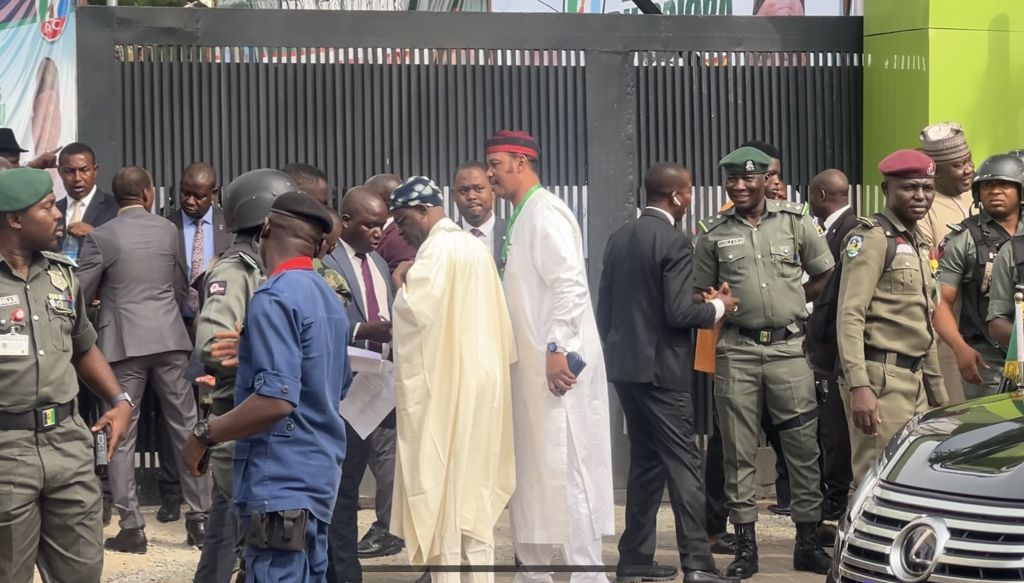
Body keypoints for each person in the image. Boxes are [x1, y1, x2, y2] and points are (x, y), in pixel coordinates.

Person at [184, 191, 352, 583]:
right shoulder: (327, 297)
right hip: (318, 480)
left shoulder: (274, 296)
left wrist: (205, 434)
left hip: (280, 482)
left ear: (267, 228)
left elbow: (275, 402)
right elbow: (333, 384)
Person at [692, 146, 834, 578]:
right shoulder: (712, 233)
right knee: (738, 450)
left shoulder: (795, 222)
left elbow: (826, 273)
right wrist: (720, 304)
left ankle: (807, 545)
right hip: (737, 350)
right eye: (732, 180)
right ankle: (746, 549)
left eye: (748, 179)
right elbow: (700, 293)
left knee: (803, 448)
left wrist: (796, 301)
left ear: (765, 180)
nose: (739, 186)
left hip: (790, 351)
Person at [597, 162, 738, 583]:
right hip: (663, 372)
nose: (691, 198)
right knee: (685, 466)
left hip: (625, 368)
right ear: (675, 196)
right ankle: (698, 563)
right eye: (689, 191)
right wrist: (718, 307)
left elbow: (608, 309)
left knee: (646, 463)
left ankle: (635, 560)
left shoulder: (619, 238)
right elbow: (678, 314)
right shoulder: (675, 243)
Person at [485, 130, 614, 583]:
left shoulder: (547, 213)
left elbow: (571, 287)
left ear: (521, 163)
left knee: (569, 468)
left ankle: (586, 574)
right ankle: (533, 572)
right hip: (530, 372)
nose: (489, 174)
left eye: (496, 165)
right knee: (534, 473)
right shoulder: (520, 216)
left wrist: (557, 348)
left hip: (557, 369)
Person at [0, 168, 131, 582]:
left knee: (81, 572)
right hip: (6, 453)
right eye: (46, 208)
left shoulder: (62, 274)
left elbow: (83, 345)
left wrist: (119, 400)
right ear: (14, 219)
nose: (58, 215)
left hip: (67, 443)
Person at [75, 166, 212, 553]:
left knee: (120, 432)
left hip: (123, 344)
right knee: (186, 426)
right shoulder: (168, 231)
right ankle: (199, 518)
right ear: (149, 194)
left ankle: (132, 527)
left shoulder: (102, 236)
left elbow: (81, 294)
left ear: (116, 198)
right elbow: (180, 284)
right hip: (170, 338)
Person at [388, 176, 517, 583]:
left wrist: (400, 283)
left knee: (444, 494)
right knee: (474, 503)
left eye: (402, 219)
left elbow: (413, 317)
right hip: (484, 388)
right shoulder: (472, 249)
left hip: (450, 393)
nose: (400, 229)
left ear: (423, 210)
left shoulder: (436, 251)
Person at [191, 169, 296, 583]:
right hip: (240, 423)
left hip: (255, 425)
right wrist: (258, 343)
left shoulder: (266, 266)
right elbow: (212, 346)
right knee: (243, 544)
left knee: (226, 537)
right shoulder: (236, 271)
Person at [837, 149, 947, 485]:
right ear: (887, 190)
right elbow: (849, 315)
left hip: (915, 381)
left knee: (914, 480)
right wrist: (859, 386)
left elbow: (924, 323)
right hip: (880, 379)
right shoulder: (870, 239)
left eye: (927, 188)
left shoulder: (918, 242)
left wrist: (939, 397)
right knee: (877, 479)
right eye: (910, 188)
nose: (920, 196)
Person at [322, 186, 399, 583]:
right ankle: (342, 571)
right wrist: (359, 329)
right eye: (369, 224)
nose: (377, 232)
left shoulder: (380, 265)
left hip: (375, 391)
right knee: (339, 491)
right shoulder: (328, 262)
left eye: (381, 225)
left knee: (351, 485)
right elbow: (320, 323)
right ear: (346, 221)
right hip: (340, 391)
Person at [160, 161, 230, 524]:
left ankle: (214, 489)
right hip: (175, 326)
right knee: (175, 411)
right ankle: (172, 493)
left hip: (216, 328)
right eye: (185, 193)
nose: (189, 200)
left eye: (198, 195)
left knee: (213, 409)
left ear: (214, 194)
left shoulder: (227, 226)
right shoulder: (165, 225)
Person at [935, 155, 1024, 399]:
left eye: (1004, 185)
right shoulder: (963, 238)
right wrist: (960, 347)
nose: (995, 191)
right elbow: (941, 302)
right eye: (987, 185)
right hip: (987, 357)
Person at [805, 169, 856, 520]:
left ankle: (836, 501)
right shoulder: (830, 230)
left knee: (836, 429)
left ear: (821, 195)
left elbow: (836, 294)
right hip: (825, 342)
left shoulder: (851, 231)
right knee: (826, 426)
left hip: (837, 345)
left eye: (810, 195)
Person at [919, 122, 976, 405]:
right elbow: (931, 271)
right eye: (958, 165)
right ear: (937, 170)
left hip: (985, 326)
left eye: (969, 161)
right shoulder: (924, 207)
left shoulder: (981, 194)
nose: (968, 169)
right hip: (946, 330)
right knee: (954, 411)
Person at [55, 142, 118, 261]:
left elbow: (126, 252)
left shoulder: (115, 208)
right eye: (69, 171)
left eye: (84, 170)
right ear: (60, 172)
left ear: (95, 170)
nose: (77, 178)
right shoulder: (53, 211)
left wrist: (96, 235)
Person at [453, 161, 506, 263]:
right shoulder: (446, 239)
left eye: (479, 189)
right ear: (453, 195)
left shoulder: (512, 232)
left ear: (493, 191)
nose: (471, 196)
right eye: (464, 191)